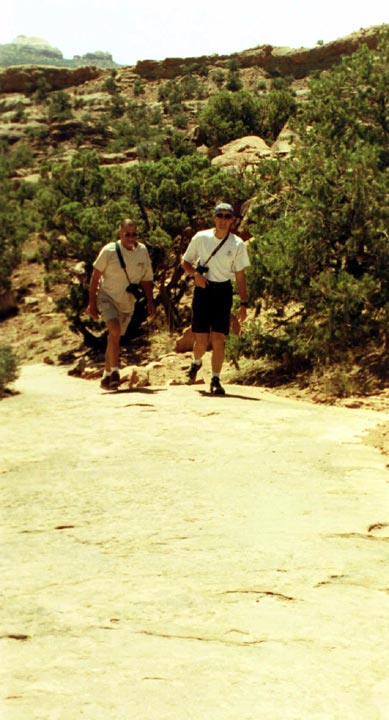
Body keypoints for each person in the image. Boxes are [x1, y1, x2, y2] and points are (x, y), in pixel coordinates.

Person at [181, 202, 250, 395]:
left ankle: (216, 379)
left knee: (219, 338)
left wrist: (243, 303)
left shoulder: (237, 244)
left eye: (227, 216)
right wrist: (195, 275)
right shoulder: (201, 238)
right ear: (214, 217)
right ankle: (196, 363)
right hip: (203, 290)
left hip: (223, 291)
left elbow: (240, 275)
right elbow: (185, 262)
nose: (223, 220)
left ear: (233, 220)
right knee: (201, 340)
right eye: (220, 215)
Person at [88, 218, 155, 390]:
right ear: (120, 233)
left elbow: (147, 279)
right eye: (127, 234)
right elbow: (95, 278)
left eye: (134, 234)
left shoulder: (142, 251)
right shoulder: (109, 251)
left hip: (127, 302)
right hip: (107, 297)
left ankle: (106, 375)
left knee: (114, 338)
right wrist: (92, 304)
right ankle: (116, 372)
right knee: (115, 331)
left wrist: (150, 300)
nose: (130, 238)